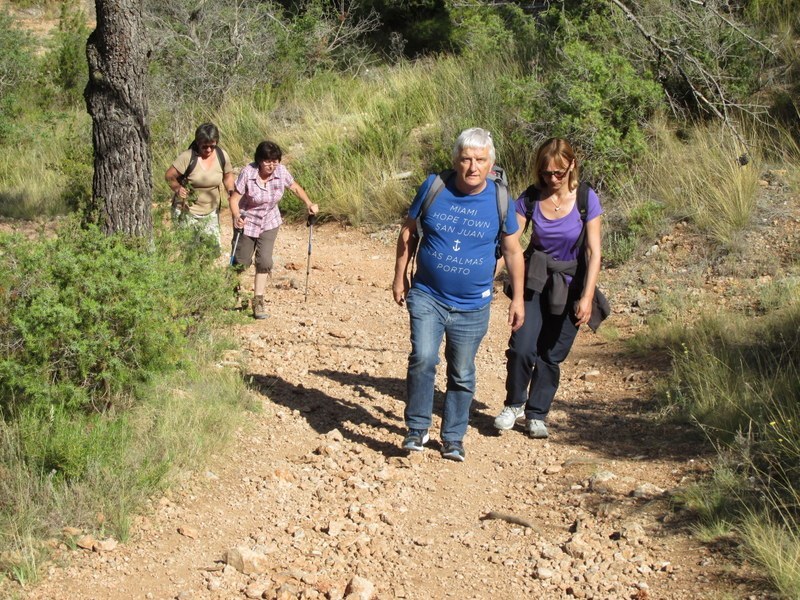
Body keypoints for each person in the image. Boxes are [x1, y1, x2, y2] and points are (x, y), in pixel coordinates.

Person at [393, 127, 526, 462]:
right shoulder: (434, 186)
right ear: (456, 160)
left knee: (462, 370)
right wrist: (399, 276)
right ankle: (417, 428)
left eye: (480, 160)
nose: (472, 167)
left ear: (490, 162)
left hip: (473, 304)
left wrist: (518, 298)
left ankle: (453, 436)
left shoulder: (500, 199)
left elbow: (513, 252)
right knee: (423, 358)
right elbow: (409, 231)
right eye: (466, 159)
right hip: (427, 294)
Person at [494, 138, 603, 439]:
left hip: (571, 283)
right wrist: (489, 275)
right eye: (546, 173)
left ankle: (537, 413)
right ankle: (514, 404)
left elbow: (594, 252)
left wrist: (587, 296)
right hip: (535, 280)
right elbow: (509, 242)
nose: (552, 179)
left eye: (559, 173)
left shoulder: (585, 198)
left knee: (551, 353)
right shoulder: (530, 198)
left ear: (571, 166)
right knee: (522, 346)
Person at [229, 140, 318, 320]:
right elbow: (234, 199)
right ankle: (233, 290)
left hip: (269, 221)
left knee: (264, 261)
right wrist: (237, 216)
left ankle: (258, 300)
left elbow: (294, 187)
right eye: (268, 161)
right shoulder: (248, 173)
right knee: (241, 260)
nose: (272, 165)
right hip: (248, 220)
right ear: (259, 160)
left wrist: (308, 203)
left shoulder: (280, 171)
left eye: (275, 160)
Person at [165, 122, 235, 250]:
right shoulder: (187, 157)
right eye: (205, 146)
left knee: (212, 250)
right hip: (187, 212)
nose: (208, 150)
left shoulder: (222, 155)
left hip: (211, 212)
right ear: (198, 143)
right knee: (189, 252)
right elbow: (169, 176)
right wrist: (177, 188)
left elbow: (228, 176)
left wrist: (231, 191)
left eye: (212, 146)